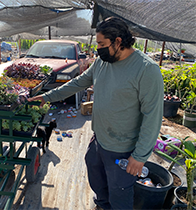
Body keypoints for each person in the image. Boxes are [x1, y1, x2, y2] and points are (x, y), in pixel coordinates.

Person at [27, 16, 163, 210]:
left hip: (123, 148)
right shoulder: (102, 63)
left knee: (120, 194)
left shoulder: (146, 69)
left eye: (101, 44)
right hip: (99, 140)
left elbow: (153, 116)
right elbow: (78, 82)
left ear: (118, 41)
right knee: (97, 181)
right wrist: (46, 97)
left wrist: (140, 157)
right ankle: (101, 204)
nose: (98, 49)